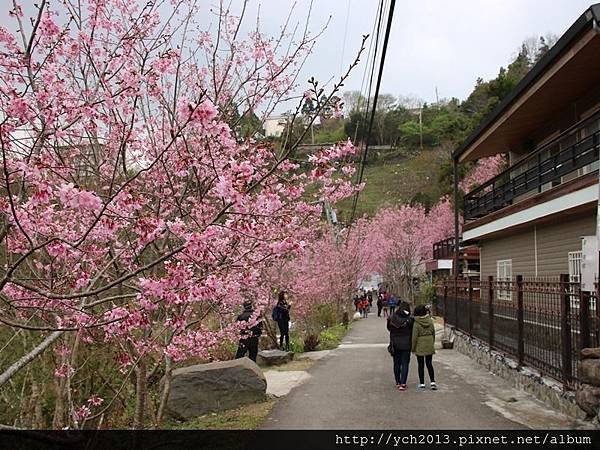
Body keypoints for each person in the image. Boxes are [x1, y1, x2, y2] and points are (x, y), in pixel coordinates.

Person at [387, 302, 413, 390]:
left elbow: (389, 328)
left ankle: (397, 382)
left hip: (395, 343)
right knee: (405, 363)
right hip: (406, 344)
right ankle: (403, 383)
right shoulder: (409, 319)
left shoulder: (392, 317)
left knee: (396, 363)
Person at [411, 304, 437, 391]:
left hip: (420, 344)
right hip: (429, 342)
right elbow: (433, 332)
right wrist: (432, 342)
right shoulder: (430, 320)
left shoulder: (416, 322)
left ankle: (422, 384)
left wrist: (413, 348)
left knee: (421, 365)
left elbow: (414, 337)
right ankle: (433, 383)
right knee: (429, 364)